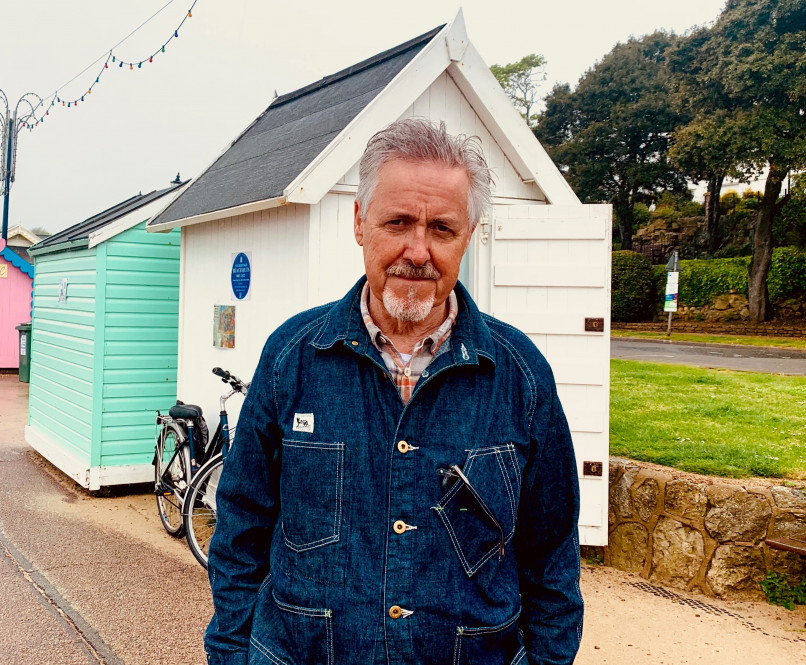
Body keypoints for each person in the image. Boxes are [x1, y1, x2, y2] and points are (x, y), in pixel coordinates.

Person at [205, 118, 583, 665]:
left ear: (468, 237)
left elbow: (552, 558)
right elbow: (240, 527)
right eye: (398, 221)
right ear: (360, 223)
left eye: (442, 229)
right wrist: (233, 655)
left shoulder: (521, 376)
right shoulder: (291, 358)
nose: (418, 250)